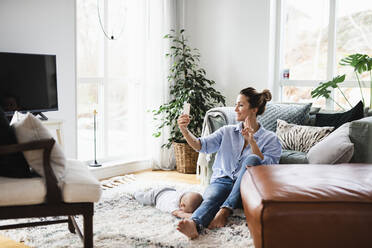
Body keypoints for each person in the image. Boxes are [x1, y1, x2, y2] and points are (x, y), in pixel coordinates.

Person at [176, 87, 282, 239]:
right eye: (236, 104)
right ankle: (194, 224)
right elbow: (201, 145)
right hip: (221, 181)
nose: (235, 109)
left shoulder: (271, 139)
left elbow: (267, 169)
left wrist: (252, 142)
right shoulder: (227, 131)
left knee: (253, 159)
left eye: (240, 105)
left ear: (254, 109)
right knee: (211, 198)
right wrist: (184, 130)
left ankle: (224, 211)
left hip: (247, 188)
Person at [134, 187, 203, 218]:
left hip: (169, 189)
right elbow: (179, 214)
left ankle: (149, 189)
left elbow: (193, 197)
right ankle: (135, 192)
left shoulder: (183, 195)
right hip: (155, 196)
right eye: (188, 212)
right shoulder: (173, 205)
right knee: (142, 198)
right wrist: (194, 216)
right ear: (182, 205)